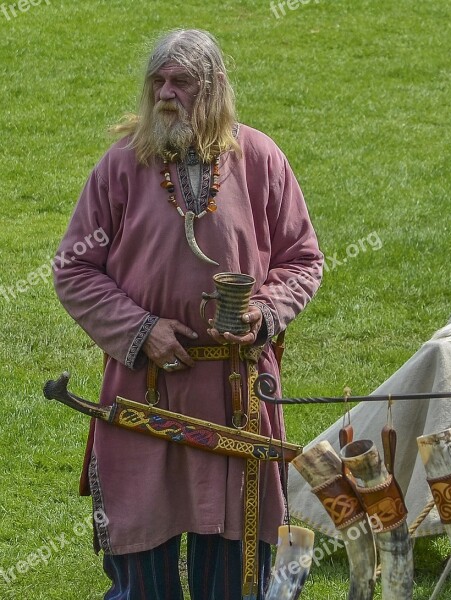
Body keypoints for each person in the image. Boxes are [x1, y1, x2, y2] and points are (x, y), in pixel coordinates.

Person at [53, 28, 323, 599]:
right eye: (158, 82)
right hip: (146, 388)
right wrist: (140, 330)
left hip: (238, 391)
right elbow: (73, 268)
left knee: (234, 572)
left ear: (215, 89)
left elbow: (303, 259)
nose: (166, 95)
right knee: (142, 569)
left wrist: (265, 314)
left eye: (181, 82)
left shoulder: (259, 159)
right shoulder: (122, 167)